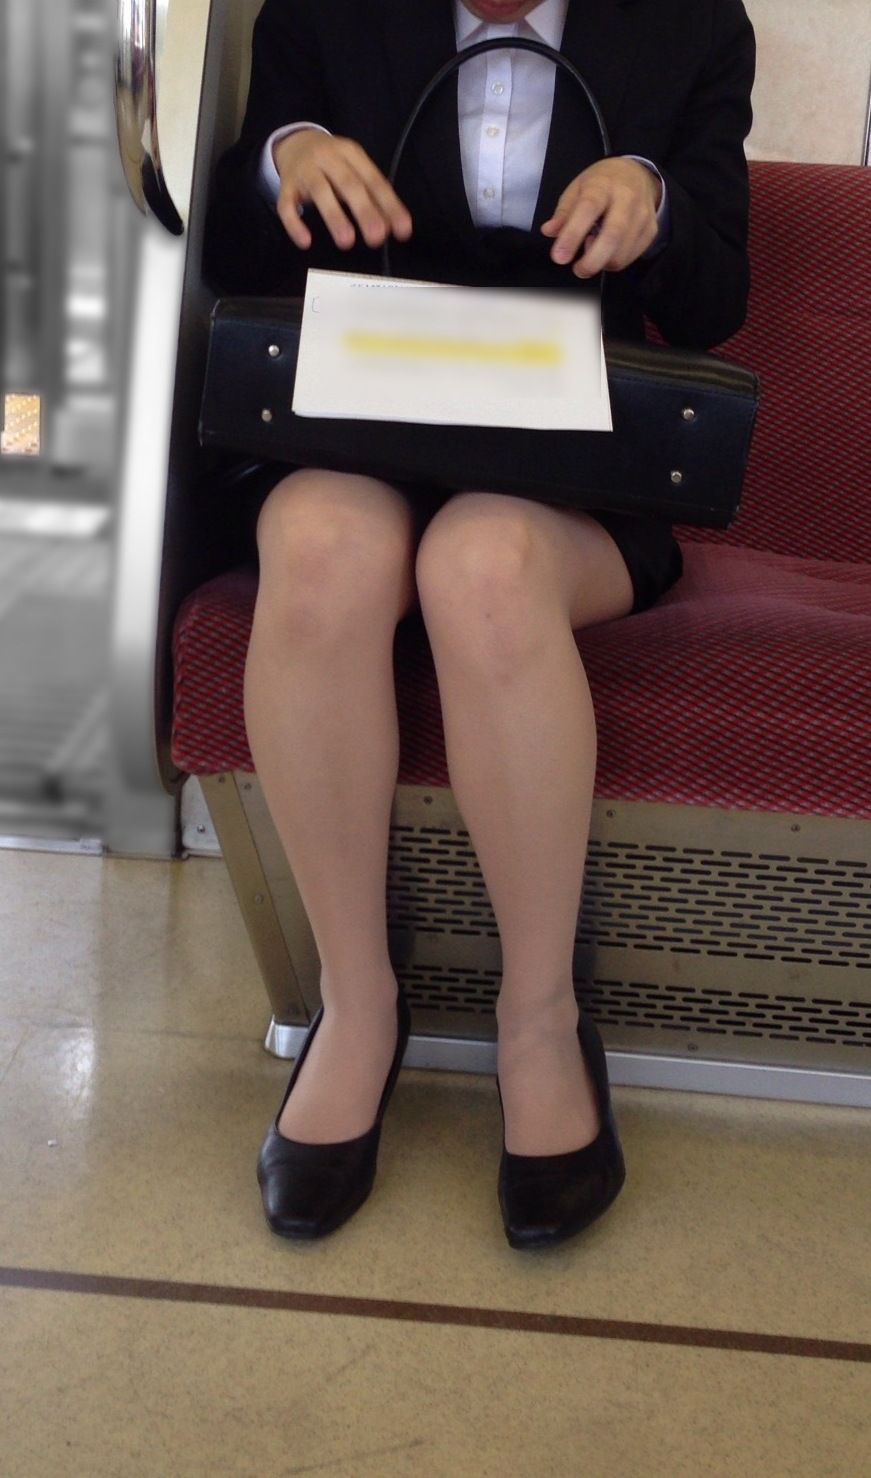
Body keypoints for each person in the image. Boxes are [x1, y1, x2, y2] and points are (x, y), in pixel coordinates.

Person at [205, 0, 756, 1248]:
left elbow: (717, 298)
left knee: (483, 563)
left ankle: (540, 1017)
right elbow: (232, 246)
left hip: (573, 463)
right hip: (364, 420)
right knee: (319, 546)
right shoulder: (323, 11)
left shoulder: (690, 25)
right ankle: (356, 1003)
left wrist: (655, 205)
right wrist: (288, 159)